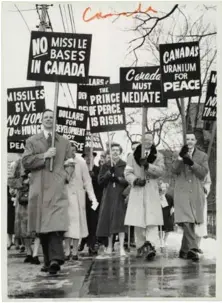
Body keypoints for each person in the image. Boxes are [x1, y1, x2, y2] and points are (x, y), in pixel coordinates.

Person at [22, 109, 74, 274]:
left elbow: (70, 162)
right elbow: (26, 162)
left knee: (54, 223)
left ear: (55, 121)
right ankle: (48, 261)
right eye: (46, 117)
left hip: (56, 189)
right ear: (41, 120)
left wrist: (65, 176)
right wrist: (44, 156)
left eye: (52, 117)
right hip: (38, 189)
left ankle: (55, 259)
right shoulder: (32, 141)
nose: (49, 120)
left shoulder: (64, 142)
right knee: (42, 225)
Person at [124, 132, 165, 261]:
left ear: (153, 141)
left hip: (151, 190)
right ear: (141, 140)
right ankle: (141, 246)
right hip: (137, 191)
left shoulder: (158, 156)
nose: (147, 141)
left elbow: (161, 171)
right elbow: (127, 172)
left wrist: (148, 166)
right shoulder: (132, 156)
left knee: (151, 221)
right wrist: (135, 180)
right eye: (145, 139)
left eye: (150, 139)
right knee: (138, 221)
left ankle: (152, 246)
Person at [172, 132, 209, 262]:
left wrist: (192, 163)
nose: (190, 141)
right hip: (182, 192)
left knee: (192, 221)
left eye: (192, 139)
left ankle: (184, 250)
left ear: (195, 141)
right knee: (187, 220)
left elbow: (203, 173)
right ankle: (193, 248)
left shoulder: (203, 156)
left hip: (195, 191)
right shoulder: (178, 154)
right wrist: (181, 159)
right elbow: (174, 170)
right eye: (187, 139)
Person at [64, 145, 98, 260]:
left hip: (78, 196)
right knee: (67, 225)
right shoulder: (62, 161)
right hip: (66, 196)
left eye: (74, 150)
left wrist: (92, 197)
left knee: (77, 224)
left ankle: (74, 251)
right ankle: (67, 250)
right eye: (69, 150)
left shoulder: (81, 162)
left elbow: (87, 181)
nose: (72, 152)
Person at [96, 143, 128, 257]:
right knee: (109, 220)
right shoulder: (106, 165)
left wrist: (118, 179)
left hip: (120, 195)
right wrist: (109, 173)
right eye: (112, 150)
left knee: (120, 222)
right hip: (109, 195)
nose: (115, 152)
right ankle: (109, 246)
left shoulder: (124, 165)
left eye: (117, 150)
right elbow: (100, 181)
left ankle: (122, 247)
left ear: (120, 152)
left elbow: (128, 180)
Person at [8, 159, 34, 263]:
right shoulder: (18, 163)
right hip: (22, 201)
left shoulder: (40, 161)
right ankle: (29, 252)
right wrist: (23, 182)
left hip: (36, 197)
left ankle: (35, 253)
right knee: (23, 228)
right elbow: (10, 181)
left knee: (36, 227)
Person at [79, 148, 103, 255]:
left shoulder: (99, 169)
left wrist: (94, 177)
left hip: (95, 200)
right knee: (84, 221)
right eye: (86, 156)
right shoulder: (80, 169)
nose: (88, 159)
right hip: (83, 200)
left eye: (90, 156)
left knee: (93, 222)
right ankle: (84, 240)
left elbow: (101, 183)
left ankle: (92, 244)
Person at [195, 172, 211, 253]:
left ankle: (197, 246)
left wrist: (205, 189)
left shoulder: (205, 168)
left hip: (201, 197)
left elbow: (208, 182)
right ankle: (190, 246)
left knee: (200, 224)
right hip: (190, 196)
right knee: (190, 223)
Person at [158, 181, 174, 247]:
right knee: (160, 228)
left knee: (168, 228)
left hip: (168, 214)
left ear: (167, 188)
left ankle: (165, 240)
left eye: (164, 187)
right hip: (160, 213)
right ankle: (161, 240)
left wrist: (172, 210)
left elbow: (173, 205)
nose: (163, 189)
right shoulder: (158, 196)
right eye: (162, 187)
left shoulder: (169, 196)